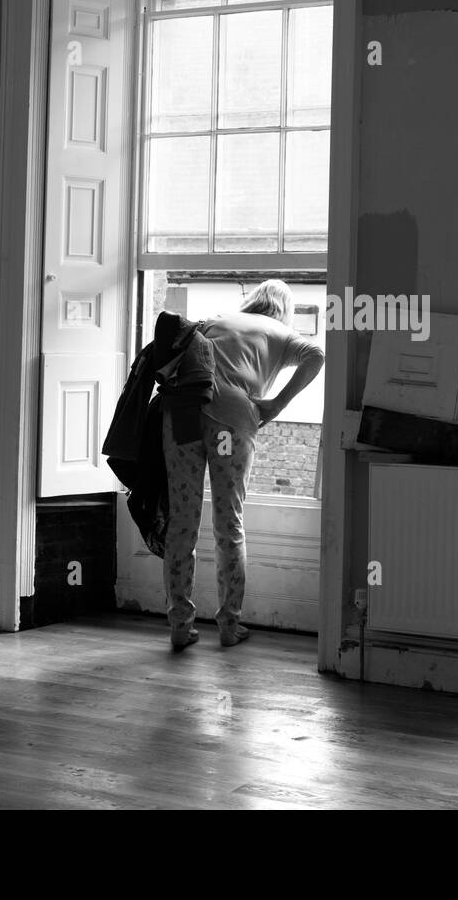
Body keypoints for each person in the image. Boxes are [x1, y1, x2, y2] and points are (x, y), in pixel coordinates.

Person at [162, 279, 324, 651]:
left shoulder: (217, 319)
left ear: (251, 301)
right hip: (230, 422)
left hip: (182, 412)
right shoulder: (282, 332)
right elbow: (316, 356)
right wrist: (277, 403)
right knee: (227, 521)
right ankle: (229, 624)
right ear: (285, 310)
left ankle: (179, 625)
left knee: (182, 520)